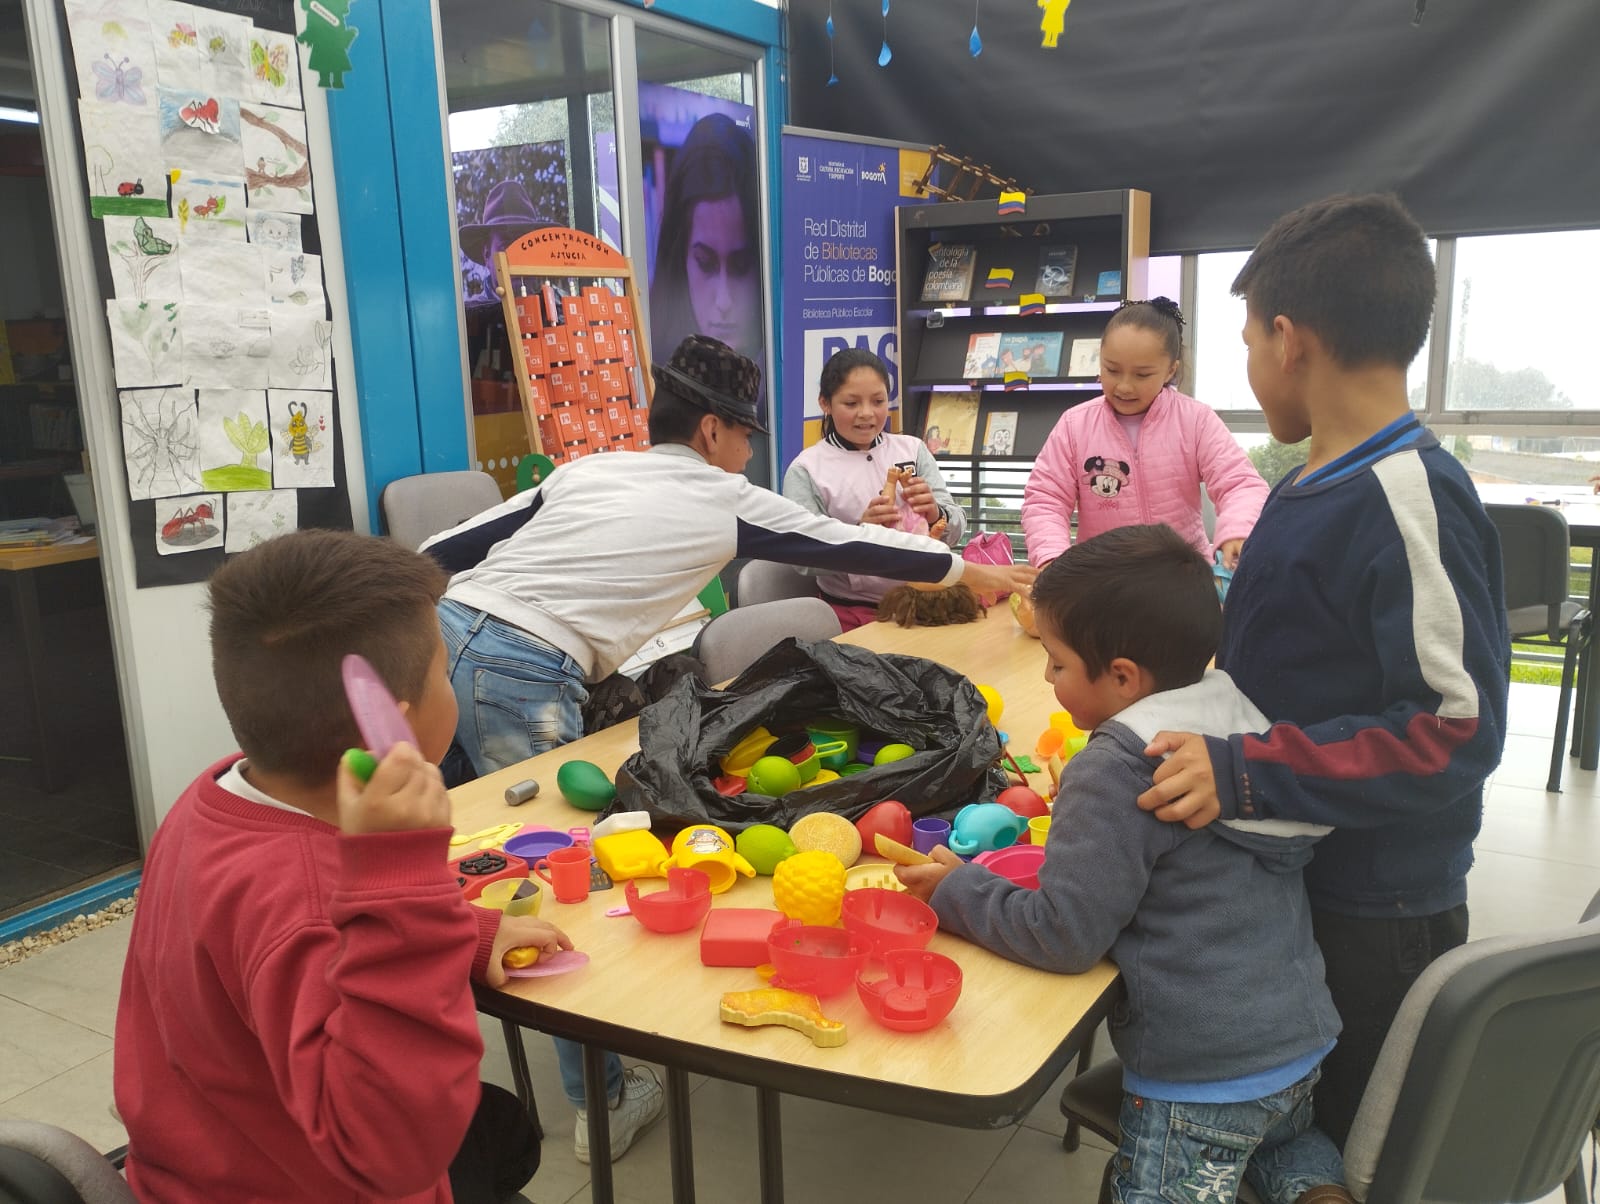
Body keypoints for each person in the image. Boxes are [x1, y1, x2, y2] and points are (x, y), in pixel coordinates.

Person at [424, 333, 1036, 1158]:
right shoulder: (723, 494)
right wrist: (968, 571)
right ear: (714, 431)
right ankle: (600, 1107)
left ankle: (434, 1069)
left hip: (439, 636)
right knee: (560, 884)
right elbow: (848, 544)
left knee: (455, 857)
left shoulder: (588, 468)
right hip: (524, 669)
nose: (750, 453)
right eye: (748, 435)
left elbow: (446, 550)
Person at [1133, 193, 1510, 1146]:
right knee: (1282, 1138)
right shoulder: (1305, 484)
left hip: (1376, 911)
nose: (1252, 365)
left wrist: (1249, 771)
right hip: (1292, 870)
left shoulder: (1411, 493)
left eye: (1251, 341)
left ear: (1289, 339)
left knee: (1345, 1148)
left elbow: (1456, 729)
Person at [898, 524, 1351, 1204]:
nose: (1047, 678)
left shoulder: (1115, 768)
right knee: (1277, 1140)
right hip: (1298, 1045)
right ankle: (1320, 1191)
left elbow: (1064, 935)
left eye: (1054, 662)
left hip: (1199, 1073)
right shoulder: (1232, 717)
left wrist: (956, 891)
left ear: (1121, 677)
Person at [114, 530, 568, 1203]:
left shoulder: (215, 799)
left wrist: (459, 931)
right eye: (444, 671)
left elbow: (289, 951)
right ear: (389, 728)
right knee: (499, 1135)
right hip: (304, 1179)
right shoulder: (307, 896)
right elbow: (390, 1156)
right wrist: (403, 888)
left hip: (205, 1158)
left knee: (502, 1130)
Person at [1020, 297, 1268, 570]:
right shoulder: (1074, 425)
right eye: (1112, 370)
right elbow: (1046, 499)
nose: (1124, 386)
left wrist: (1237, 529)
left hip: (1182, 578)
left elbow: (1240, 483)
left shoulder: (1195, 420)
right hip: (1103, 580)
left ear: (1170, 370)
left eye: (1142, 375)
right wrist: (1051, 557)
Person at [782, 348, 966, 630]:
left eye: (878, 401)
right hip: (851, 614)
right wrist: (859, 534)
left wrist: (934, 513)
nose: (866, 414)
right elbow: (802, 557)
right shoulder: (807, 469)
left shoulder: (912, 449)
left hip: (927, 605)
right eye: (851, 403)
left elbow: (956, 526)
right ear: (825, 403)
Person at [648, 113, 762, 365]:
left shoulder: (783, 371)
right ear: (680, 259)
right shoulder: (652, 366)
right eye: (705, 263)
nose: (724, 300)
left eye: (741, 266)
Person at [458, 179, 560, 308]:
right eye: (506, 247)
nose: (517, 257)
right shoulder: (470, 318)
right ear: (486, 254)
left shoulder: (557, 313)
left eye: (528, 245)